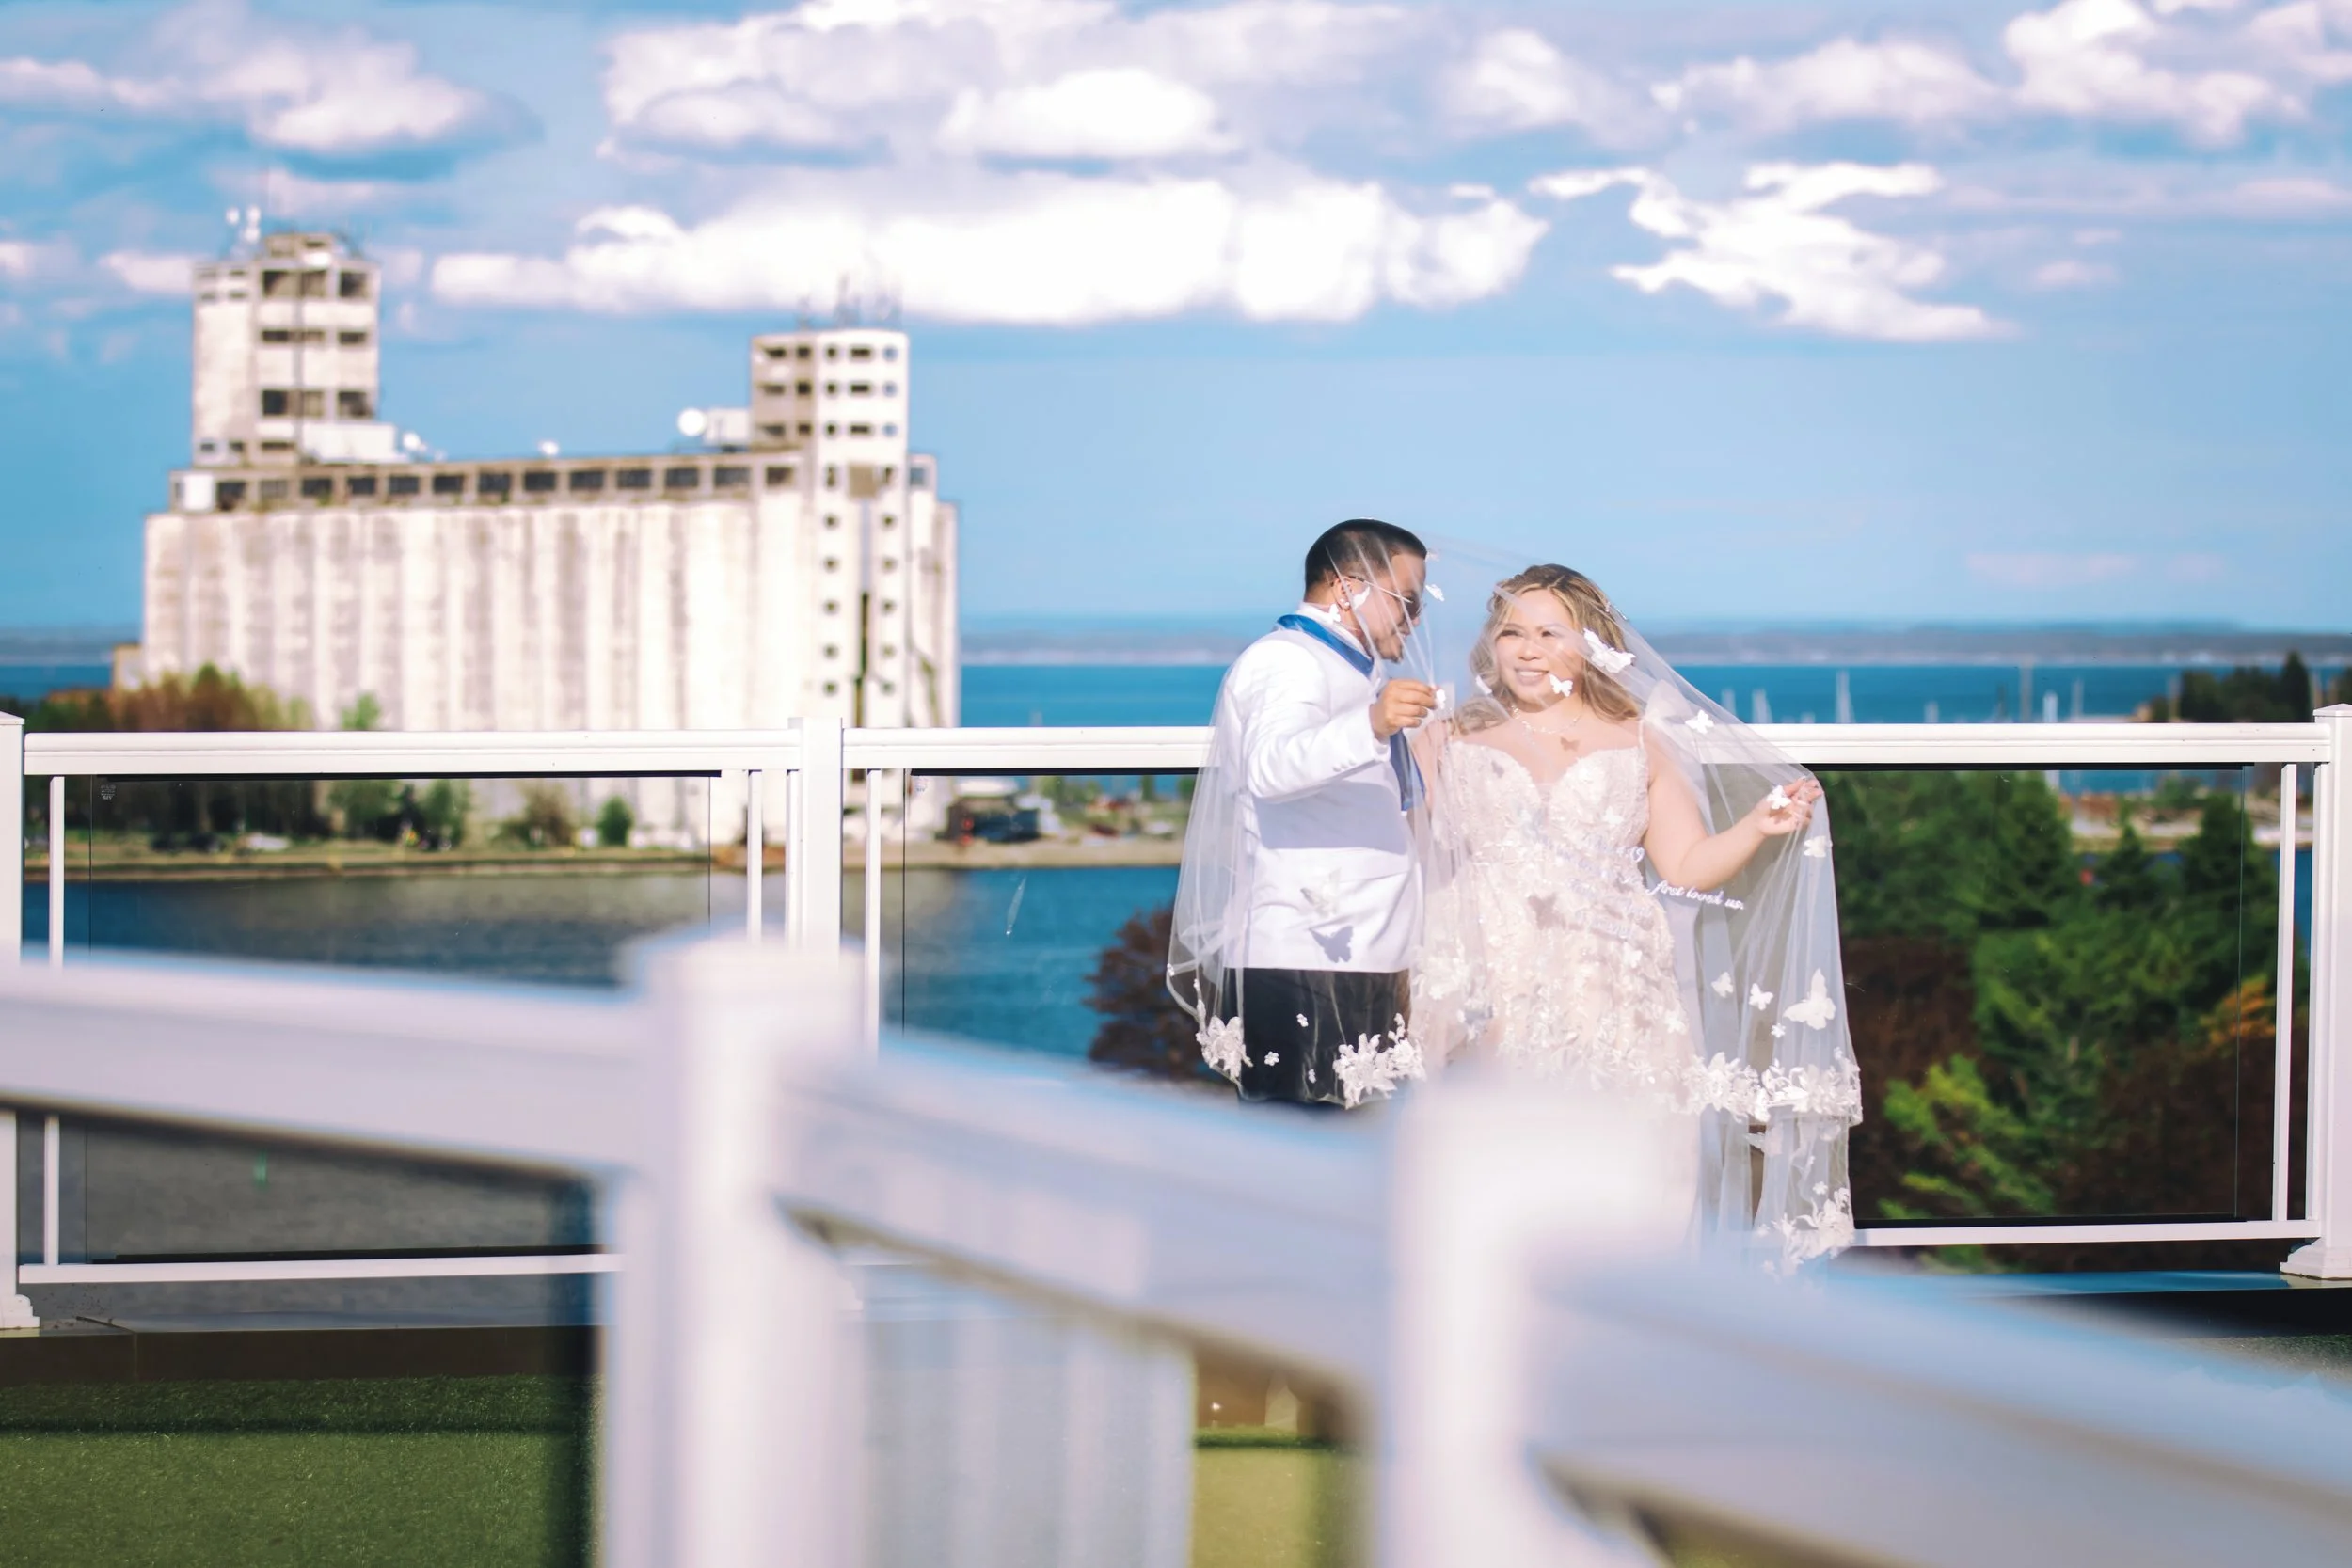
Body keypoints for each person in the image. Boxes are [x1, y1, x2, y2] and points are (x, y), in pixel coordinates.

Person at [1411, 562, 1862, 1269]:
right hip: (1488, 982)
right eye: (1511, 632)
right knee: (1495, 1180)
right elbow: (1410, 855)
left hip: (1613, 988)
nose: (1526, 650)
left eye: (1549, 633)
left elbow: (1684, 863)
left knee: (1630, 1182)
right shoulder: (1448, 737)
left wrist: (1756, 826)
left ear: (1590, 644)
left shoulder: (1639, 738)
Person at [1168, 520, 1438, 1108]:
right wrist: (1370, 725)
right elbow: (1269, 767)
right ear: (1346, 589)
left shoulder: (1351, 667)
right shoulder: (1286, 660)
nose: (1415, 618)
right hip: (1308, 955)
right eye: (1406, 600)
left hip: (1363, 948)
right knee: (1304, 1157)